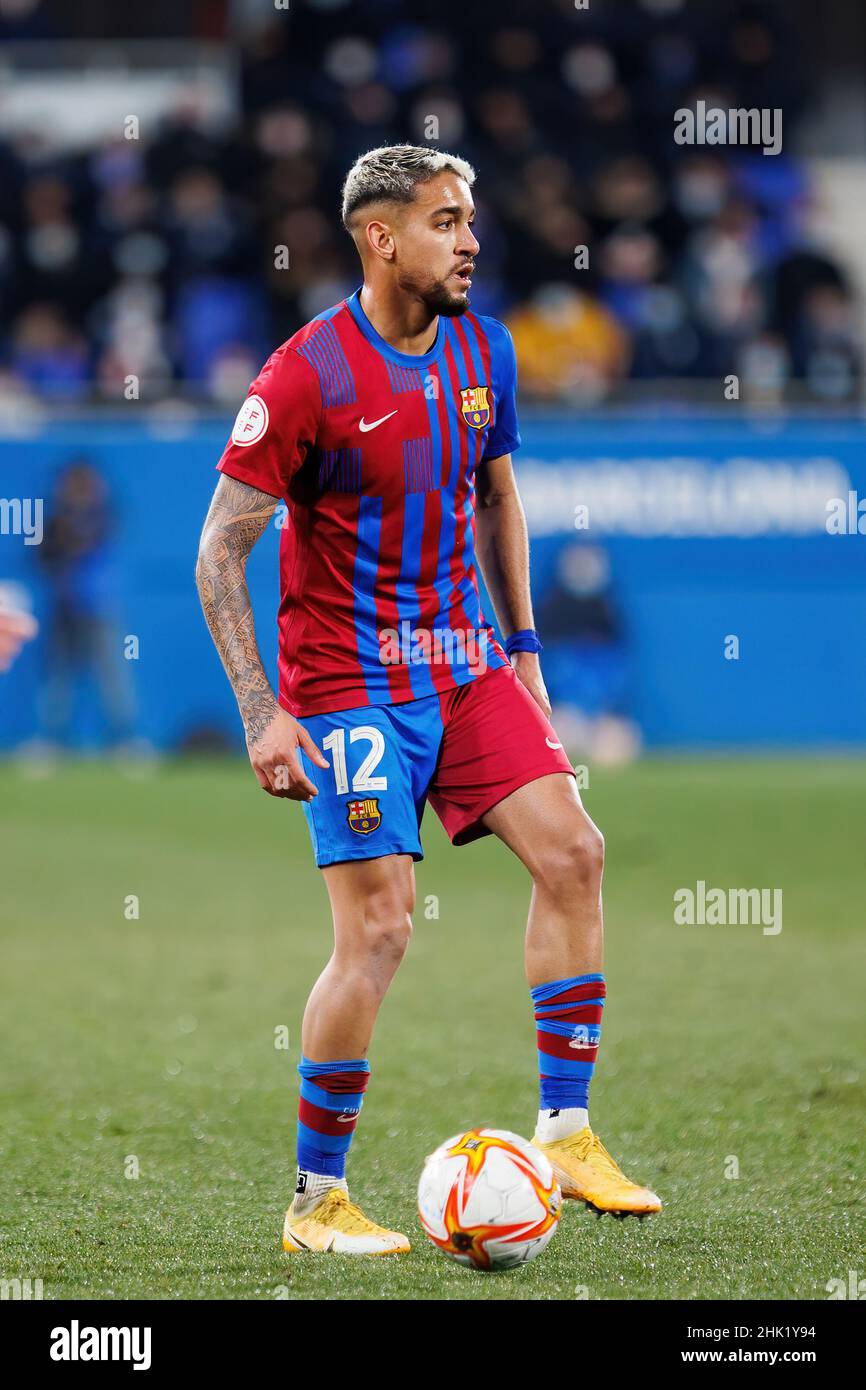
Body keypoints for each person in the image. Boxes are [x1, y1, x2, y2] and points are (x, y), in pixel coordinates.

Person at [196, 145, 660, 1257]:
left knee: (574, 852)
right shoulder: (304, 374)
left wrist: (526, 649)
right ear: (379, 236)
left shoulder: (482, 348)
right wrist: (263, 712)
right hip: (350, 685)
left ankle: (564, 1128)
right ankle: (315, 1200)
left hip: (464, 665)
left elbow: (497, 497)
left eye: (469, 221)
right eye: (447, 222)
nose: (469, 241)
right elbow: (219, 551)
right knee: (380, 933)